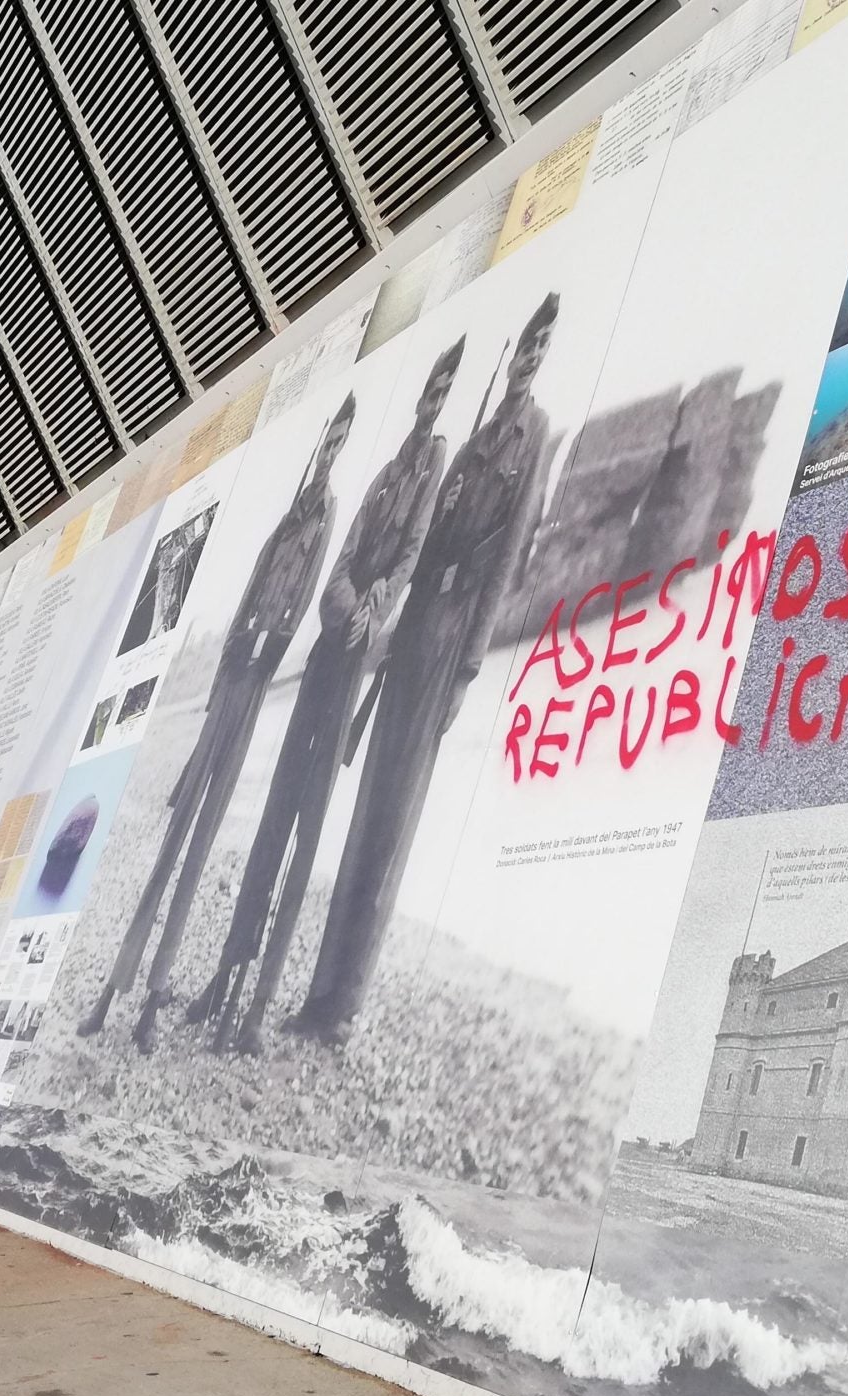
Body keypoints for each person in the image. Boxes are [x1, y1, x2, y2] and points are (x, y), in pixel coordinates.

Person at [289, 294, 559, 1047]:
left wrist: (471, 667)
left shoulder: (531, 435)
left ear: (545, 359)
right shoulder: (473, 440)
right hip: (410, 638)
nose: (529, 359)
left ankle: (344, 1009)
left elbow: (504, 560)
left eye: (542, 349)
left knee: (395, 824)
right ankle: (319, 997)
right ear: (511, 356)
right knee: (367, 811)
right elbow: (429, 538)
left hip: (446, 643)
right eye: (525, 347)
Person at [190, 342, 462, 1054]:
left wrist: (375, 610)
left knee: (309, 832)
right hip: (325, 656)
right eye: (432, 388)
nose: (435, 400)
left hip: (353, 673)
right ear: (420, 396)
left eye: (446, 391)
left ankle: (256, 1009)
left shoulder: (429, 480)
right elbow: (342, 560)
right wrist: (346, 610)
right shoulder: (379, 479)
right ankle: (225, 977)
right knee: (276, 816)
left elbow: (406, 561)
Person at [80, 396, 357, 1052]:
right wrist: (233, 656)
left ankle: (153, 998)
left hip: (255, 692)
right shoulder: (287, 523)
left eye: (341, 443)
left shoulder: (322, 525)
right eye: (329, 439)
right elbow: (247, 600)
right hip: (230, 683)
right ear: (319, 442)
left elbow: (302, 611)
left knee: (200, 848)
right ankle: (113, 990)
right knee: (172, 843)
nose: (329, 453)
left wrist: (268, 646)